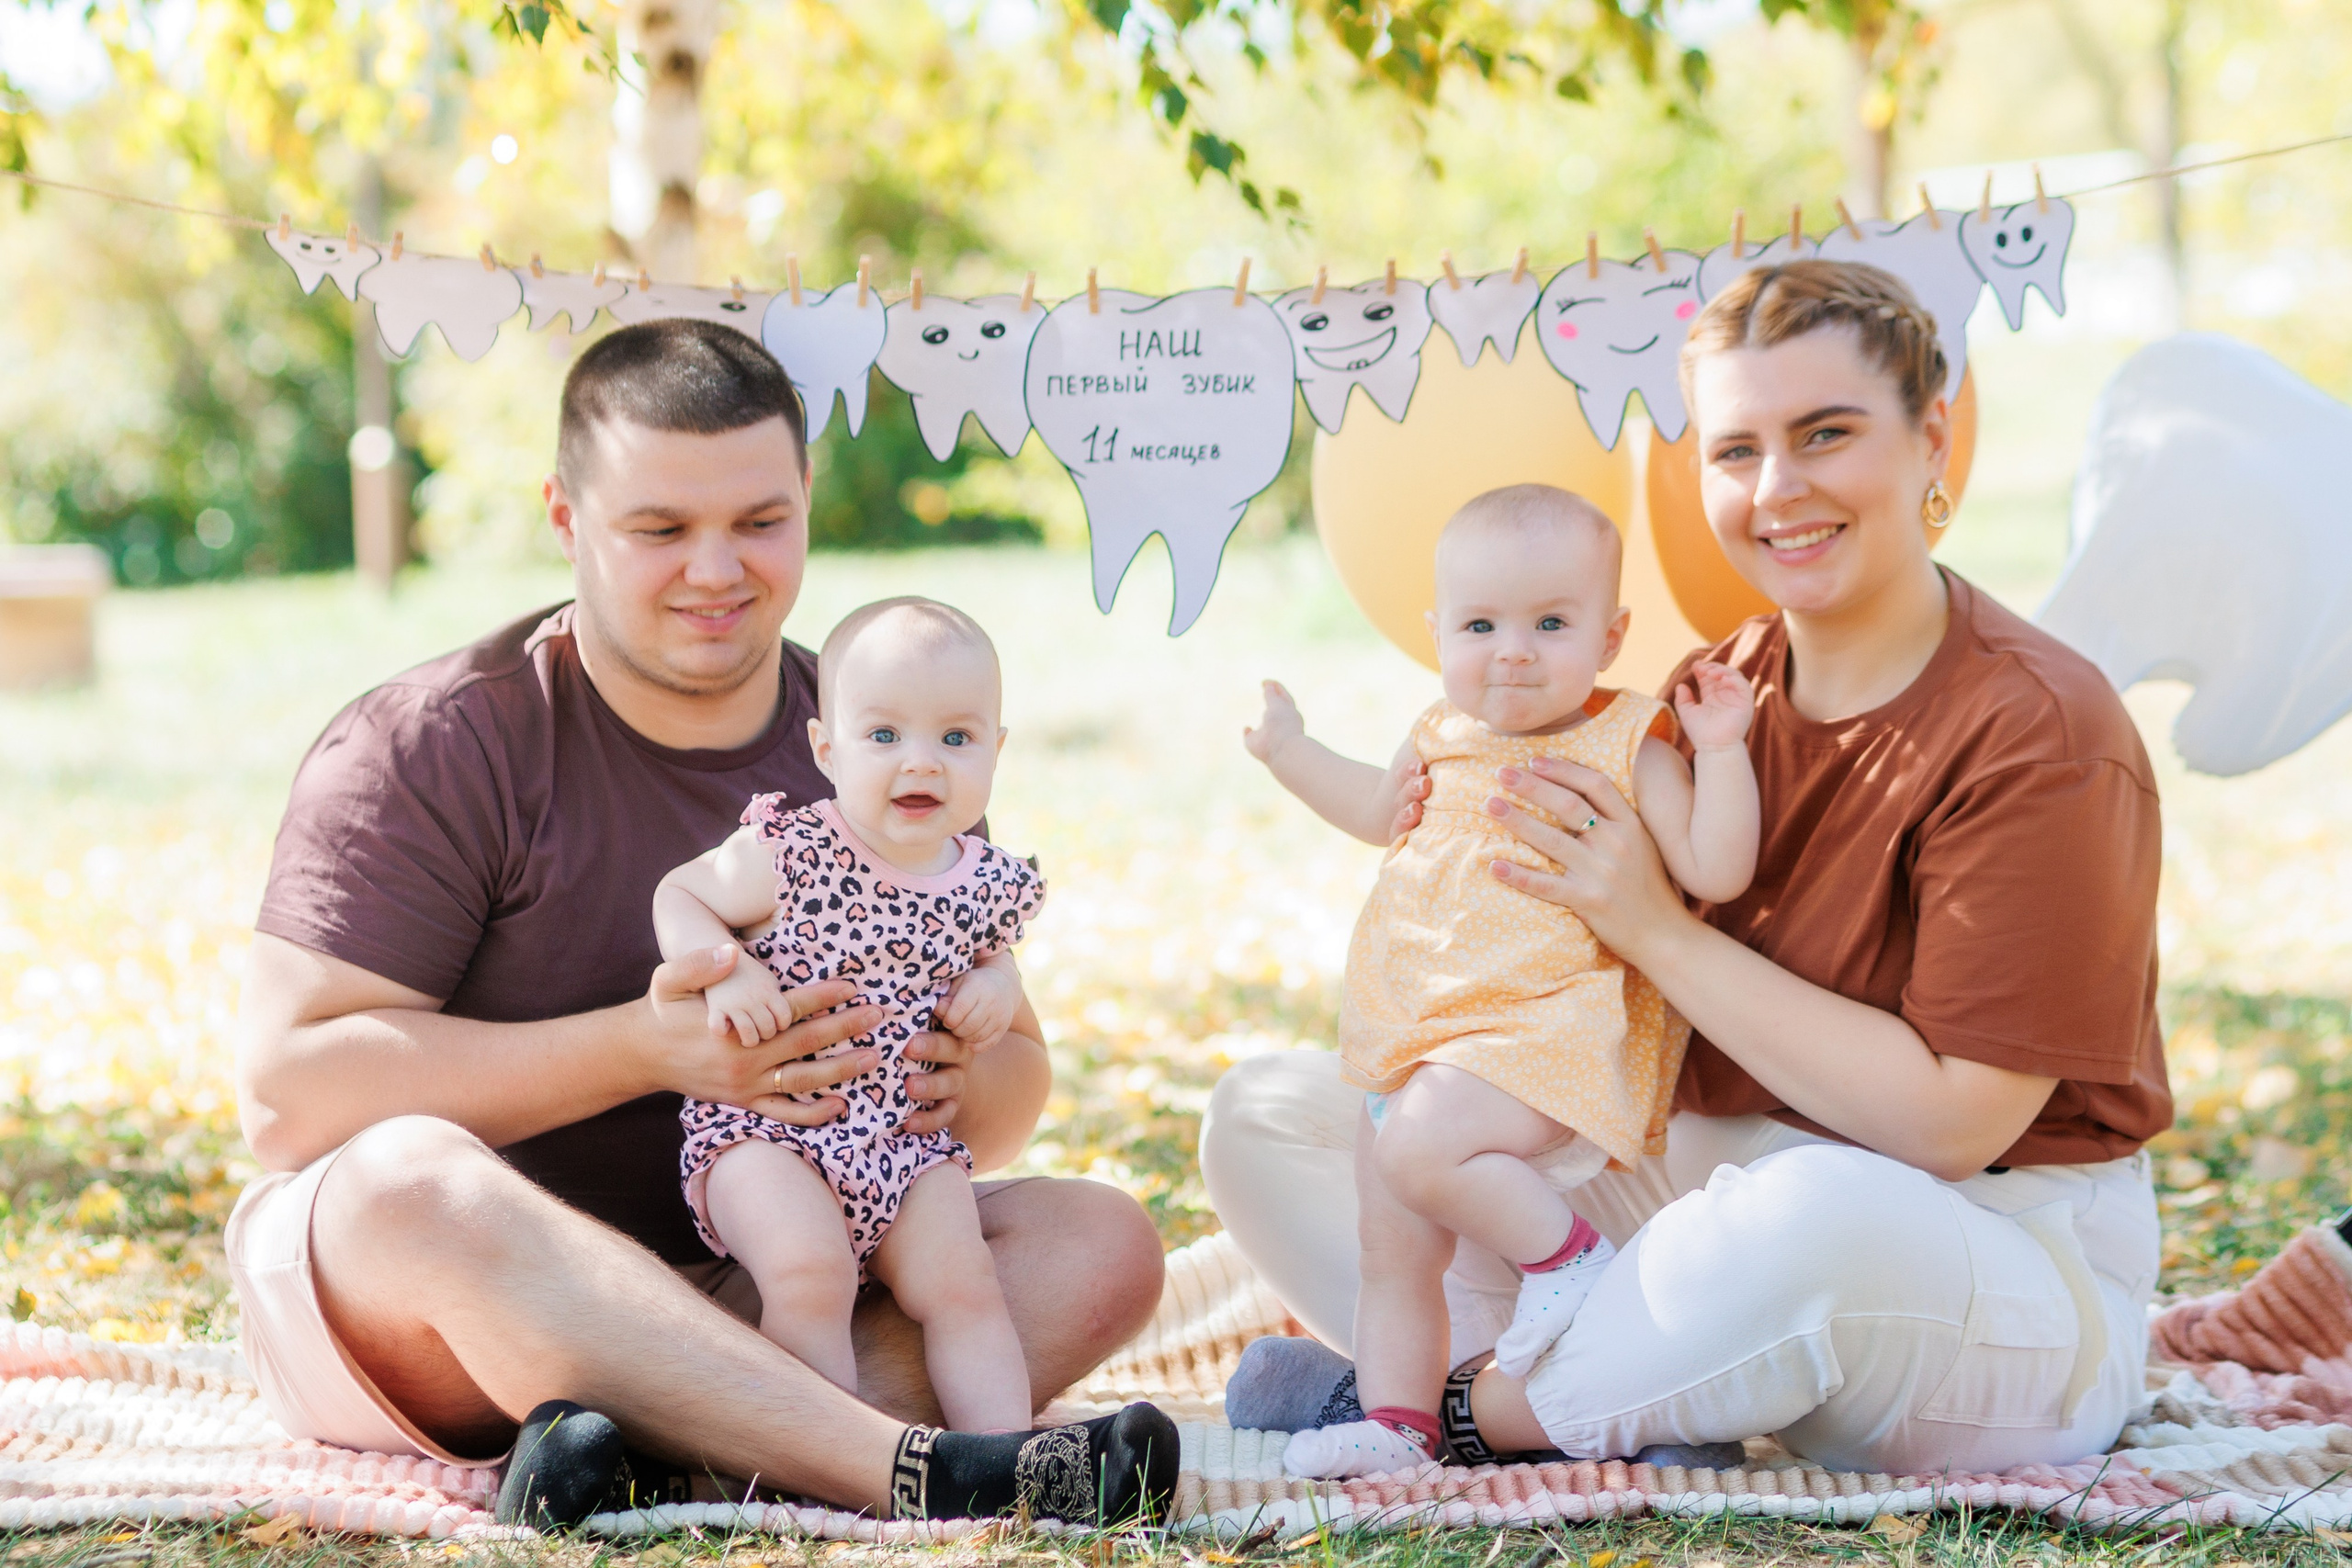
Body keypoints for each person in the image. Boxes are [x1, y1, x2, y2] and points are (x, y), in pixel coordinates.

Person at [1207, 259, 2172, 1478]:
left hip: (1969, 1244)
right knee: (1285, 1117)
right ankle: (1618, 1379)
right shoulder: (1722, 689)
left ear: (1931, 440)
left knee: (1805, 1221)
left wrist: (1654, 926)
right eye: (1735, 450)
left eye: (1825, 434)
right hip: (1709, 1191)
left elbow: (1950, 1124)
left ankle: (1465, 1410)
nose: (1777, 488)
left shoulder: (2040, 730)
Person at [227, 319, 1174, 1525]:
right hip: (460, 1305)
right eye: (661, 529)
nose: (717, 570)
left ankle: (649, 1461)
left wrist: (954, 1068)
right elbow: (288, 1097)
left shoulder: (886, 727)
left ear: (807, 499)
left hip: (766, 1281)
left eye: (759, 521)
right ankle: (906, 1466)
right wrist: (648, 1047)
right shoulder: (434, 744)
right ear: (567, 518)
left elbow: (1011, 1087)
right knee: (405, 1186)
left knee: (1100, 1242)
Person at [1240, 486, 1758, 1479]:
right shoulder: (1441, 731)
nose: (1512, 652)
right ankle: (1400, 1426)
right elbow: (1373, 812)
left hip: (1539, 1031)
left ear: (1610, 638)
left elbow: (1714, 866)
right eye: (1480, 626)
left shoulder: (1628, 741)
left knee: (1420, 1146)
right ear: (1438, 632)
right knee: (1393, 1246)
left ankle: (1571, 1260)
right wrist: (1288, 751)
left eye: (1550, 624)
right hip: (1414, 1032)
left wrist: (1724, 750)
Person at [659, 597, 1041, 1433]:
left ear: (997, 749)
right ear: (827, 750)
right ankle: (820, 1461)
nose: (922, 762)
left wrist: (999, 986)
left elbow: (994, 953)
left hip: (902, 1143)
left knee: (965, 1282)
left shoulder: (985, 879)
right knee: (810, 1274)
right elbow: (679, 893)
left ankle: (1005, 1458)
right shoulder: (792, 852)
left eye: (957, 737)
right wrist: (725, 972)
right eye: (884, 735)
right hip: (770, 1131)